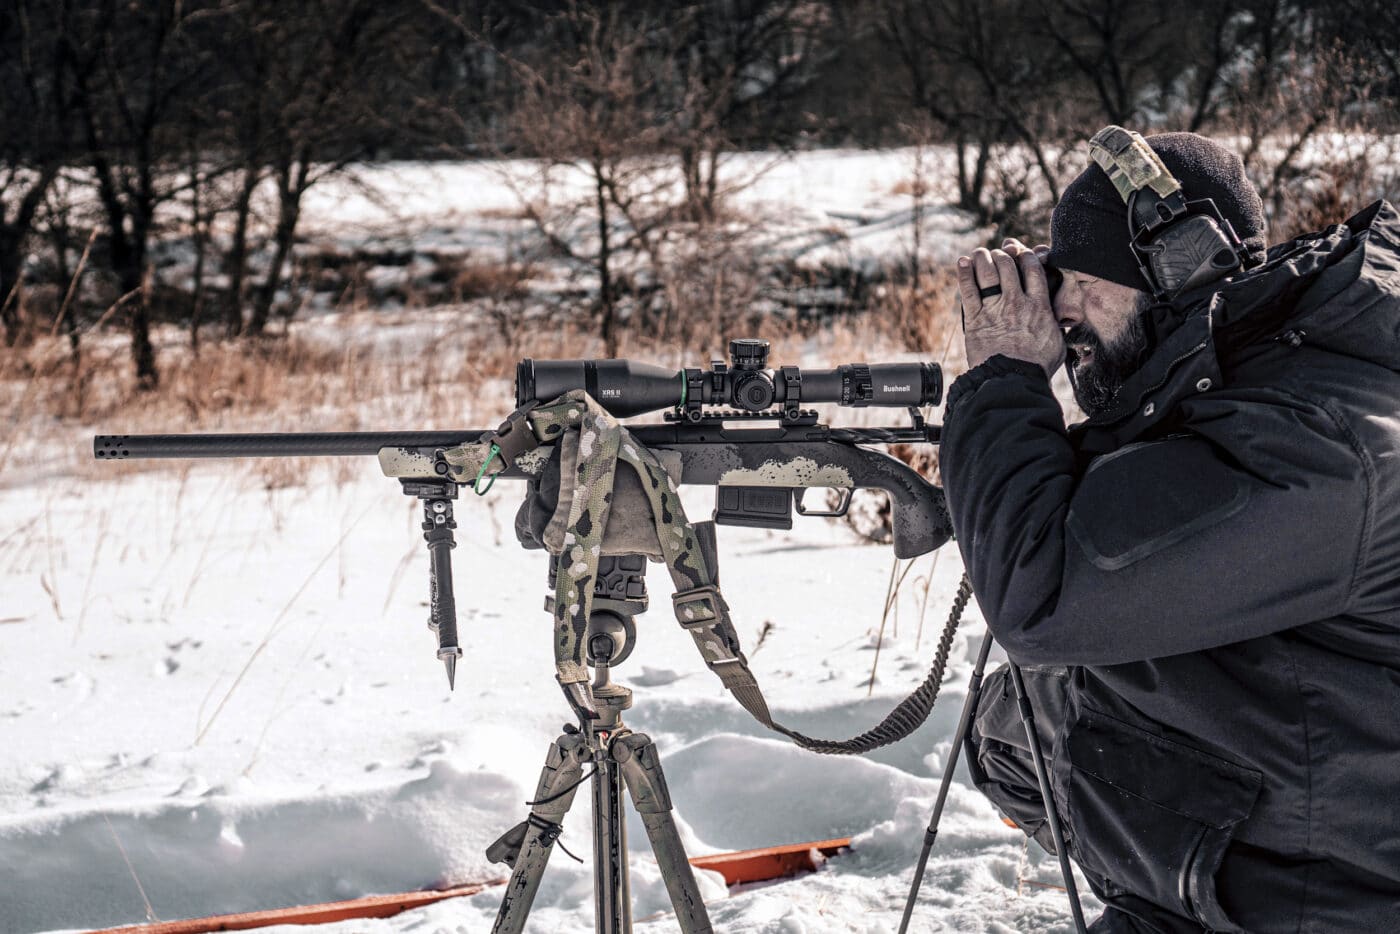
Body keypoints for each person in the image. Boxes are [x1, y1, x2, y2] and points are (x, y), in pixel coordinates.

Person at [937, 127, 1400, 932]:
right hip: (1279, 796)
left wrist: (1006, 377)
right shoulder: (1261, 365)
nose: (1064, 309)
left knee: (1036, 699)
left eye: (1083, 282)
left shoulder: (1318, 451)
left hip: (1325, 892)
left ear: (1183, 267)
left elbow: (1041, 601)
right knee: (1009, 729)